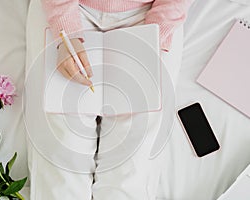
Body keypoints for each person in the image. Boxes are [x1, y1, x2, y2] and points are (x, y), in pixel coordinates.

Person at [26, 0, 192, 199]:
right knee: (61, 143)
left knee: (134, 156)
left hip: (152, 13)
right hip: (68, 6)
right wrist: (66, 29)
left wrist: (156, 34)